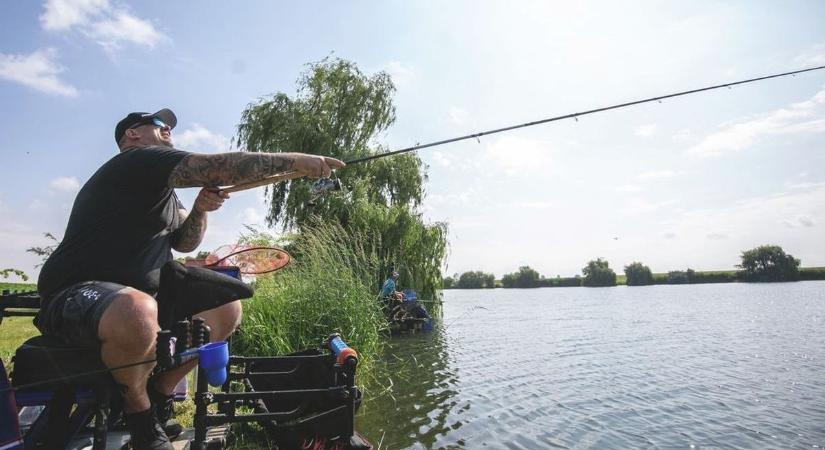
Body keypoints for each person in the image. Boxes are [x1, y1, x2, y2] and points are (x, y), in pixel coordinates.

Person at [35, 108, 344, 449]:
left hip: (140, 296)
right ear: (132, 135)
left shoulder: (164, 193)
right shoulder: (135, 162)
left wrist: (200, 209)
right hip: (77, 291)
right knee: (136, 309)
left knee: (226, 307)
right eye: (157, 123)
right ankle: (139, 415)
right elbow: (218, 166)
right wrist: (297, 162)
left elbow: (185, 242)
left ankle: (160, 392)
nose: (167, 128)